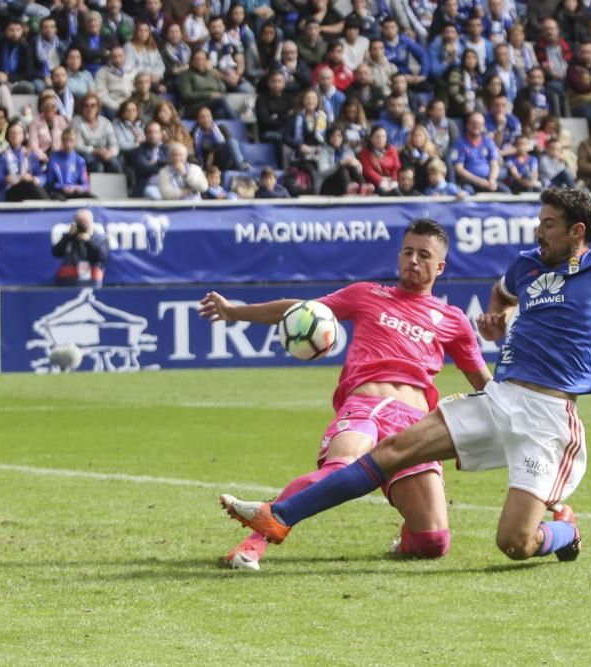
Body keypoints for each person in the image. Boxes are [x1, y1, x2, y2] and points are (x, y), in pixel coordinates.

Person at [219, 85, 591, 567]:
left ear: (576, 232)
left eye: (548, 223)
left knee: (513, 542)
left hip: (548, 418)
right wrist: (499, 319)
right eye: (538, 220)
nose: (538, 230)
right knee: (395, 450)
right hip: (501, 397)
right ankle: (279, 517)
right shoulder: (528, 266)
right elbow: (503, 296)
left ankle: (563, 530)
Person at [203, 219, 491, 570]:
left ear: (440, 266)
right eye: (407, 252)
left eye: (423, 255)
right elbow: (301, 311)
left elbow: (483, 382)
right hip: (367, 406)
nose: (413, 260)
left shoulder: (453, 320)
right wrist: (234, 312)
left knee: (433, 542)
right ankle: (254, 542)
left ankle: (405, 535)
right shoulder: (367, 294)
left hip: (416, 424)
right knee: (343, 466)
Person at [0, 120, 49, 201]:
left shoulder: (30, 155)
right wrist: (7, 179)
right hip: (9, 192)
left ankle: (49, 205)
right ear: (8, 136)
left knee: (32, 185)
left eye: (19, 133)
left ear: (23, 136)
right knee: (30, 185)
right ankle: (50, 206)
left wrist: (36, 179)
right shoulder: (1, 156)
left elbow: (42, 176)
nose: (15, 136)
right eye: (12, 133)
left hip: (28, 190)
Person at [52, 209, 109, 288]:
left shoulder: (100, 239)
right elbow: (56, 253)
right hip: (68, 285)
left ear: (92, 223)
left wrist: (88, 241)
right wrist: (68, 237)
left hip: (92, 285)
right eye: (80, 222)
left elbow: (100, 257)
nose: (83, 226)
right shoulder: (69, 238)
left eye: (85, 223)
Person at [45, 127, 91, 199]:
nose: (68, 144)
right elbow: (49, 182)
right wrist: (61, 187)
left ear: (75, 142)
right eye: (66, 140)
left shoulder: (80, 161)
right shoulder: (54, 158)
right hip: (59, 192)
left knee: (92, 198)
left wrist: (75, 188)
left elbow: (86, 186)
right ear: (62, 141)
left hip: (74, 192)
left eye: (71, 141)